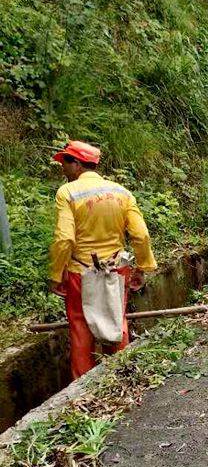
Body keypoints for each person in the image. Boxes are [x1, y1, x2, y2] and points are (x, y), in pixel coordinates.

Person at [49, 140, 158, 379]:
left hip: (80, 272)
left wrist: (56, 275)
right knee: (116, 321)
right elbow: (141, 235)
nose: (62, 168)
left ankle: (82, 390)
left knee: (81, 329)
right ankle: (120, 378)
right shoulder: (122, 192)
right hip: (116, 270)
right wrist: (142, 268)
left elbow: (65, 239)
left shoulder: (67, 192)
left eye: (65, 162)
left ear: (77, 164)